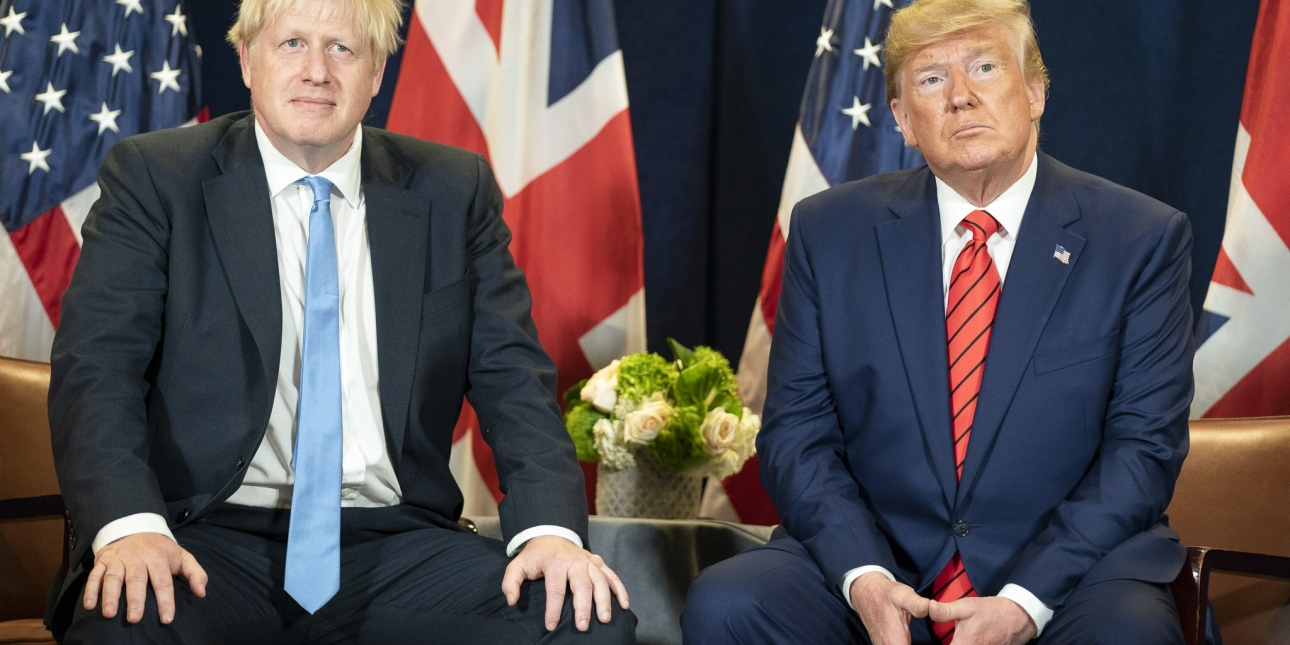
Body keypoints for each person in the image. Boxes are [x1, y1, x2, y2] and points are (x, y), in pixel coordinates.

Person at [45, 0, 635, 642]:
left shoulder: (451, 190)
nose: (317, 71)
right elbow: (97, 372)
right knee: (123, 628)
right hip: (208, 535)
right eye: (292, 43)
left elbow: (512, 379)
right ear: (246, 59)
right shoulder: (156, 178)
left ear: (377, 71)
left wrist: (549, 533)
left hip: (399, 543)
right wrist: (131, 527)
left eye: (343, 49)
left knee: (585, 624)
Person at [682, 0, 1193, 643]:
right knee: (730, 602)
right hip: (885, 563)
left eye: (984, 67)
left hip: (1070, 579)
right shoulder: (829, 231)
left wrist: (1024, 602)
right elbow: (797, 438)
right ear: (901, 119)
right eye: (930, 79)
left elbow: (1142, 450)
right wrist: (864, 576)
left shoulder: (1139, 238)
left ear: (1035, 92)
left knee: (1130, 635)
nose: (960, 97)